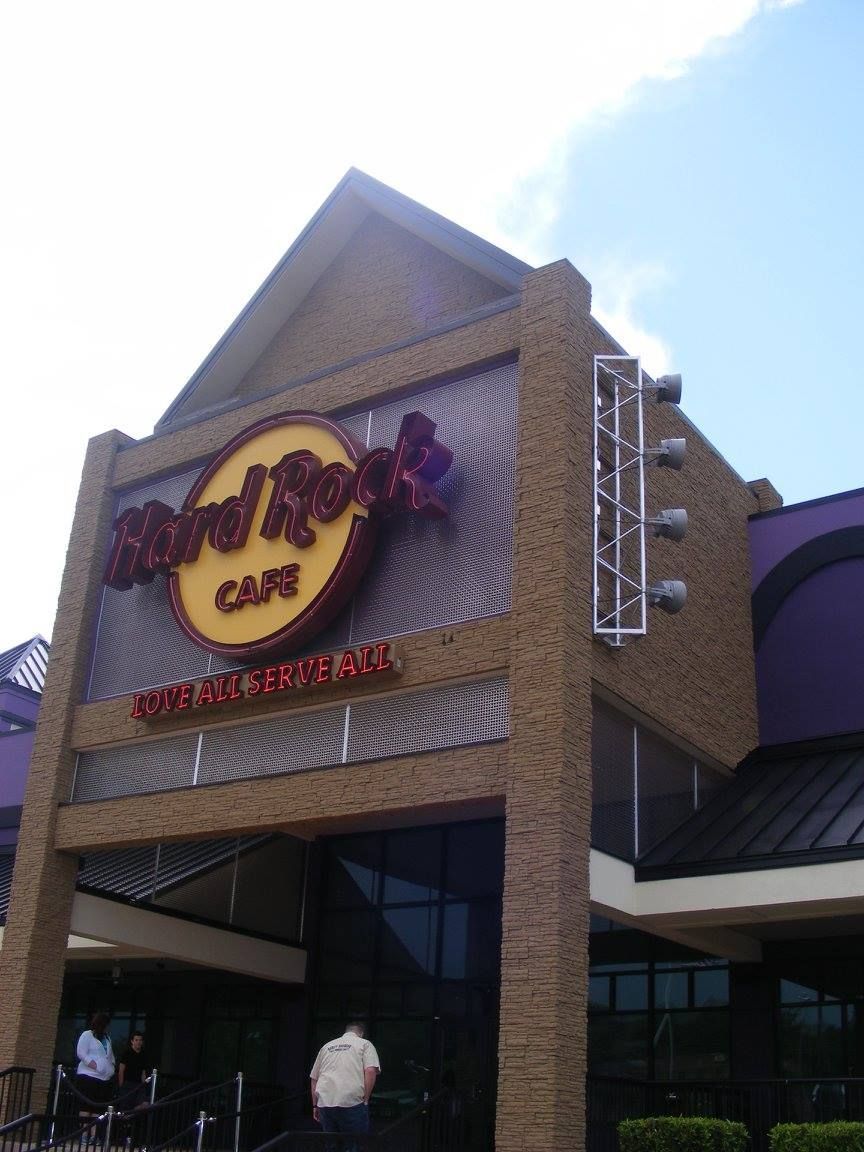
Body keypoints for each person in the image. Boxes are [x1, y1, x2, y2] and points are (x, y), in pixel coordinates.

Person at [310, 1021, 380, 1140]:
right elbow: (370, 1071)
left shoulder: (327, 1046)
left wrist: (315, 1105)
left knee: (331, 1144)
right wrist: (366, 1099)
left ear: (346, 1031)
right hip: (351, 1102)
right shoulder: (365, 1044)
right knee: (353, 1143)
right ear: (361, 1033)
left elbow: (314, 1078)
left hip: (325, 1102)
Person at [75, 1012, 116, 1116]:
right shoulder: (87, 1035)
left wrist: (111, 1069)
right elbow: (81, 1052)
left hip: (102, 1079)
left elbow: (110, 1056)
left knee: (97, 1110)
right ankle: (84, 1131)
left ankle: (94, 1132)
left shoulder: (107, 1038)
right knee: (86, 1108)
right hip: (87, 1077)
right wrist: (95, 1065)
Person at [117, 1031, 149, 1108]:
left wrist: (143, 1085)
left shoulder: (143, 1054)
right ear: (132, 1041)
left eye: (140, 1040)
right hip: (127, 1084)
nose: (138, 1042)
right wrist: (121, 1086)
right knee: (126, 1107)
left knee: (144, 1104)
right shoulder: (127, 1053)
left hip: (138, 1084)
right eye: (136, 1040)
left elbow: (143, 1073)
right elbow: (121, 1071)